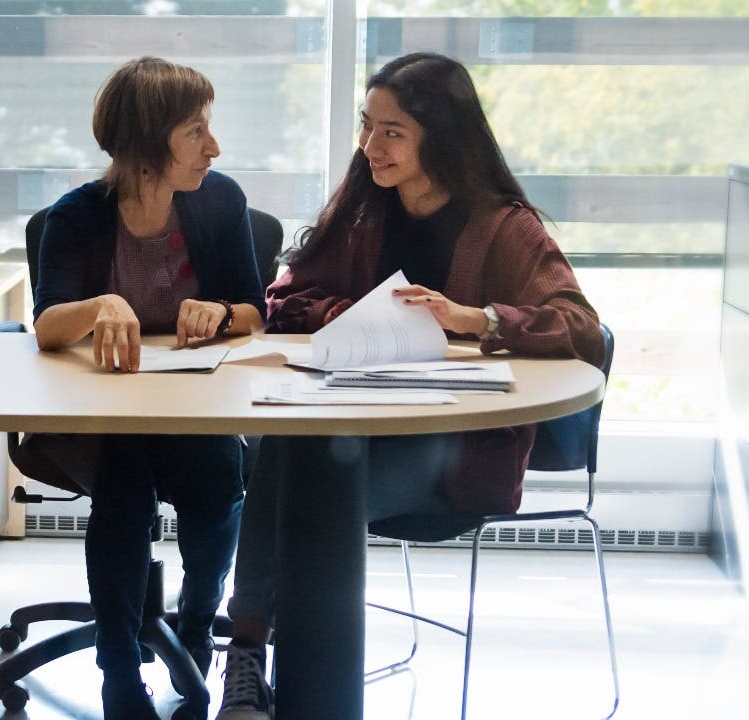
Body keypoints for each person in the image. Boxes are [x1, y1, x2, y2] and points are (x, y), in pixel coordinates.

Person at [213, 52, 604, 720]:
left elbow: (580, 327)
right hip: (349, 430)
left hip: (453, 452)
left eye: (391, 131)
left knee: (306, 484)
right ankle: (261, 662)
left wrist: (473, 319)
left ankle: (255, 654)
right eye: (367, 127)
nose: (370, 146)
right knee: (293, 446)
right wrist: (351, 315)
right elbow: (285, 298)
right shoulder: (368, 209)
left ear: (440, 135)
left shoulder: (505, 228)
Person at [32, 56, 266, 720]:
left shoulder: (219, 201)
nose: (213, 147)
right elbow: (49, 325)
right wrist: (100, 304)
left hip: (193, 407)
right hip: (104, 411)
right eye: (196, 131)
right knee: (123, 484)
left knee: (220, 477)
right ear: (147, 141)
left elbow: (255, 311)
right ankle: (117, 670)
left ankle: (196, 622)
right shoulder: (77, 215)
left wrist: (220, 313)